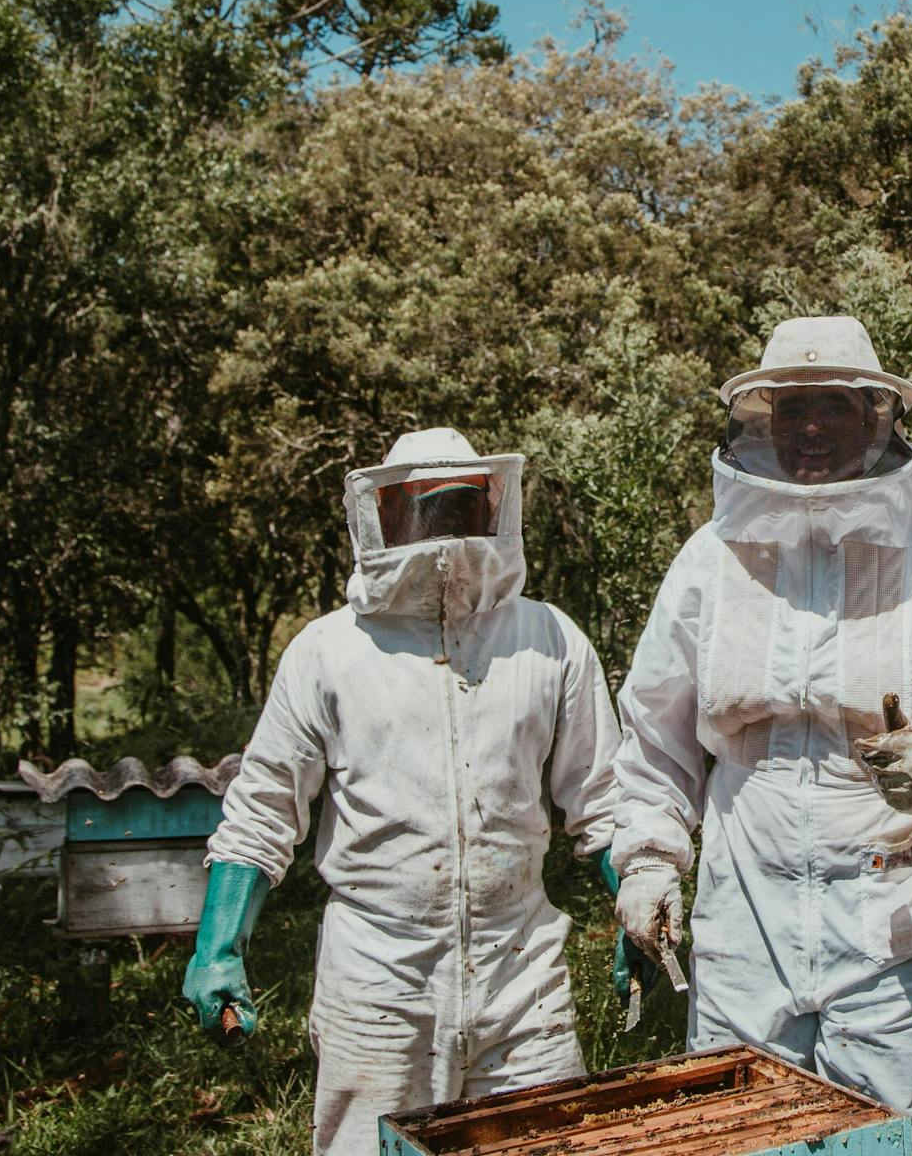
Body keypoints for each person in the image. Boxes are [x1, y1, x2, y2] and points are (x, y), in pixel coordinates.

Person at [609, 316, 912, 1156]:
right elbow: (653, 741)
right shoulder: (710, 561)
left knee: (900, 1137)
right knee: (741, 1130)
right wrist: (646, 864)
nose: (811, 428)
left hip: (892, 917)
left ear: (874, 419)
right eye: (791, 410)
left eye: (832, 407)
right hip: (744, 908)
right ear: (761, 424)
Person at [182, 427, 623, 1156]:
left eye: (459, 509)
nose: (443, 533)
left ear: (492, 509)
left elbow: (601, 798)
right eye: (426, 510)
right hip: (378, 978)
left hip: (523, 974)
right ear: (385, 515)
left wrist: (636, 900)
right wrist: (217, 946)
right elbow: (263, 810)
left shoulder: (550, 638)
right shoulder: (328, 650)